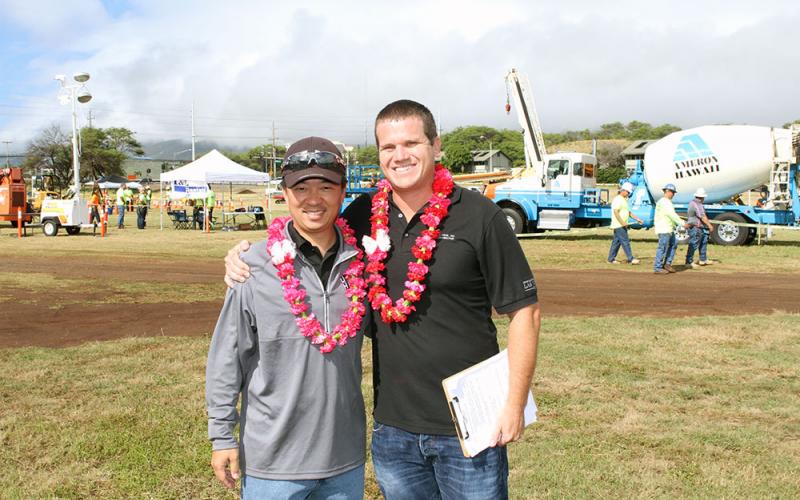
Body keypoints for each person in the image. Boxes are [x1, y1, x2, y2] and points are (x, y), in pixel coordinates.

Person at [224, 100, 541, 499]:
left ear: (436, 145)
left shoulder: (480, 217)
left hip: (470, 424)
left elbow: (524, 313)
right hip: (394, 431)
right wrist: (244, 254)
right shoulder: (361, 214)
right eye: (388, 147)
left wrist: (513, 405)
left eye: (411, 143)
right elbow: (308, 224)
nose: (400, 155)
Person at [206, 136, 367, 498]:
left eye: (326, 186)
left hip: (344, 460)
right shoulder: (253, 267)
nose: (313, 199)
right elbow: (225, 360)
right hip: (272, 466)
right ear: (285, 193)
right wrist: (221, 436)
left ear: (343, 192)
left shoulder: (363, 265)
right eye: (301, 188)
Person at [653, 183, 689, 274]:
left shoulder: (666, 202)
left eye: (674, 192)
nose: (673, 194)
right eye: (672, 192)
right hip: (664, 228)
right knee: (663, 247)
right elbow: (671, 215)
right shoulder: (664, 202)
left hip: (668, 228)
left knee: (673, 244)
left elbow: (671, 216)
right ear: (667, 191)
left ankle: (667, 264)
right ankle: (658, 267)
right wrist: (682, 223)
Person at [607, 181, 643, 265]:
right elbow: (616, 212)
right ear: (623, 190)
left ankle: (611, 259)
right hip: (619, 225)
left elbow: (629, 212)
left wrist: (638, 219)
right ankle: (631, 258)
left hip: (621, 225)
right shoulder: (617, 199)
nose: (628, 194)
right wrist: (622, 223)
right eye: (627, 192)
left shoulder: (624, 200)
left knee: (616, 242)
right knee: (625, 242)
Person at [685, 187, 715, 268]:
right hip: (695, 227)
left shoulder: (695, 203)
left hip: (699, 227)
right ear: (702, 197)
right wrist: (709, 225)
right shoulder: (696, 204)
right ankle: (688, 262)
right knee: (694, 244)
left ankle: (703, 259)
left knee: (703, 242)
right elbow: (702, 216)